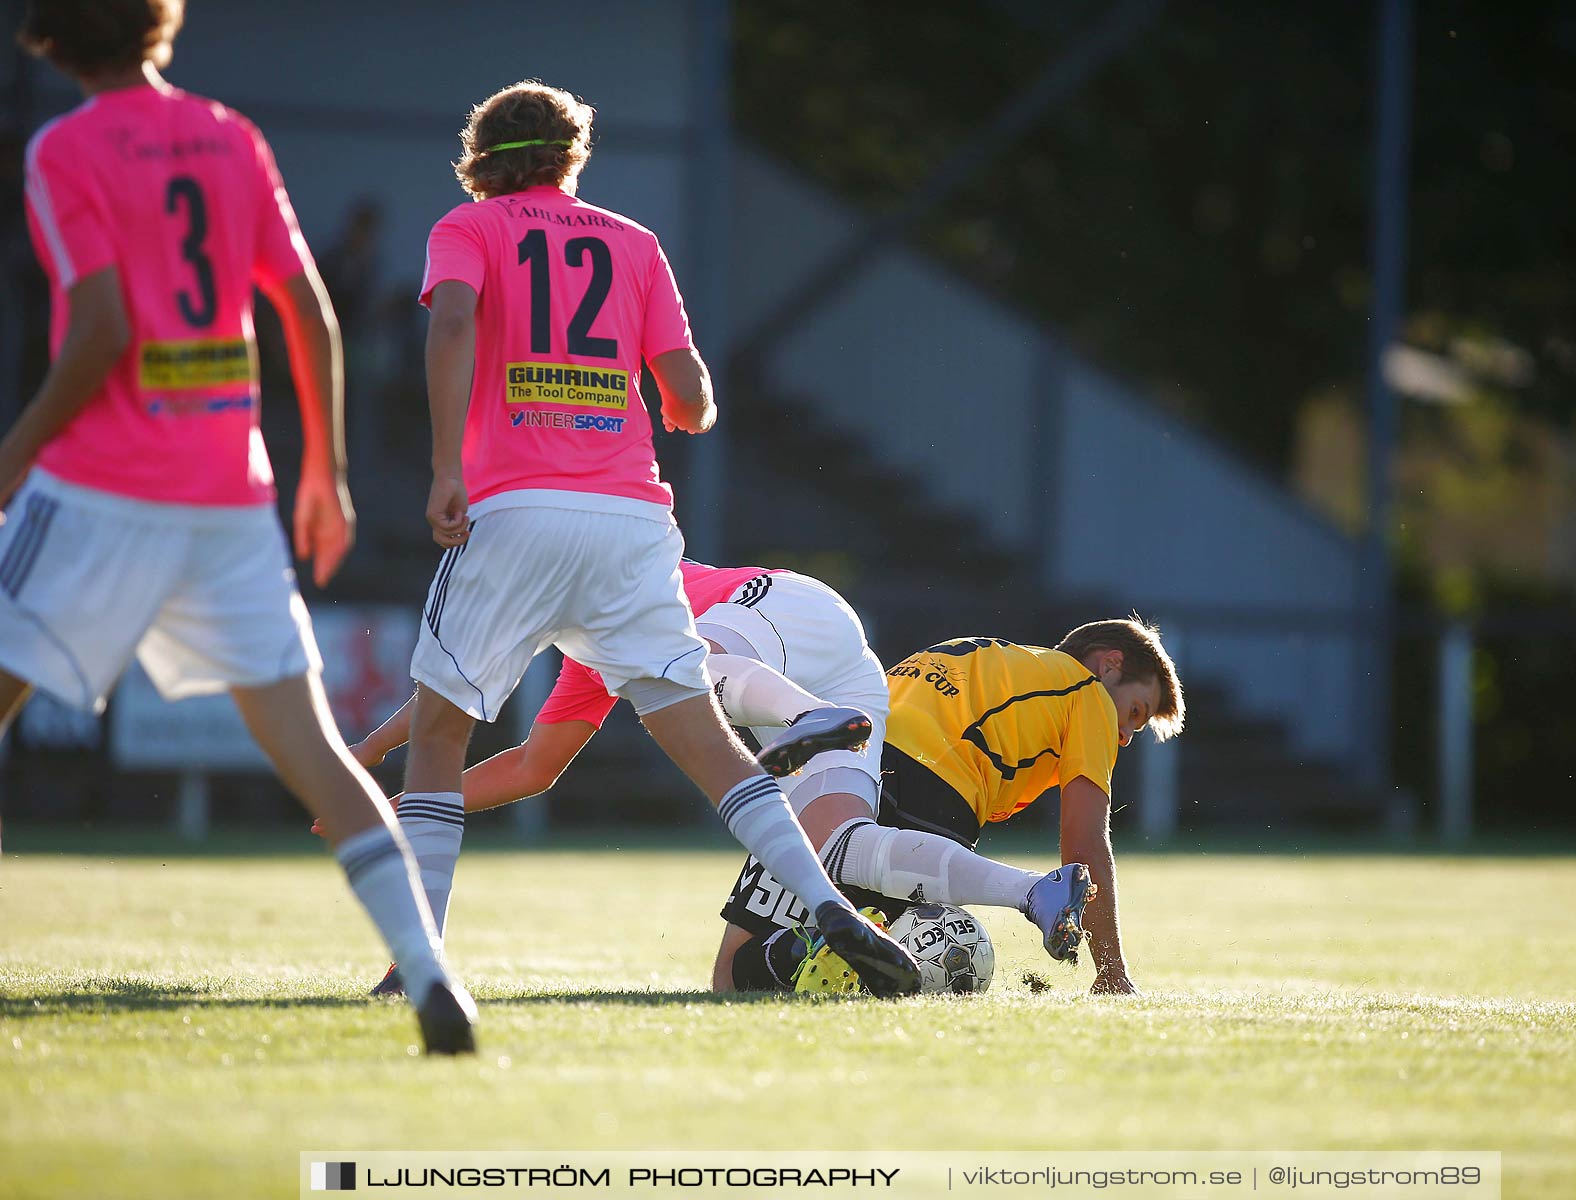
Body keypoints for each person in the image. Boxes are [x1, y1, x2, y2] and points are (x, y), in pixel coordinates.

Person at [0, 0, 476, 1052]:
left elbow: (102, 332)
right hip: (230, 494)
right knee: (315, 752)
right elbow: (305, 308)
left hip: (99, 487)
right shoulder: (230, 135)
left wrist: (17, 450)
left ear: (49, 34)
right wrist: (327, 475)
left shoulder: (63, 148)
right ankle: (429, 969)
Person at [399, 81, 918, 997]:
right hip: (635, 522)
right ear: (574, 155)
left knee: (439, 738)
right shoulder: (632, 243)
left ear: (480, 160)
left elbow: (450, 323)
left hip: (515, 509)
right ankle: (825, 905)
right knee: (712, 747)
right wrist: (681, 404)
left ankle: (418, 964)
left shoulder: (466, 229)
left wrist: (448, 465)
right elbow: (690, 393)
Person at [325, 560, 1095, 995]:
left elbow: (445, 694)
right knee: (840, 849)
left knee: (682, 671)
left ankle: (799, 718)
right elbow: (533, 767)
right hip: (844, 673)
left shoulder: (570, 586)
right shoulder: (588, 665)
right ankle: (1033, 892)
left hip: (777, 612)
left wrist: (360, 763)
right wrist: (402, 806)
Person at [724, 622, 1185, 997]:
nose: (1124, 735)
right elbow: (1085, 840)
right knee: (872, 962)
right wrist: (1111, 971)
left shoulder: (990, 656)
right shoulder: (1088, 694)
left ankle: (806, 946)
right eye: (1135, 713)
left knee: (734, 976)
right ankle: (1025, 895)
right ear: (1110, 666)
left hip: (844, 762)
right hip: (935, 789)